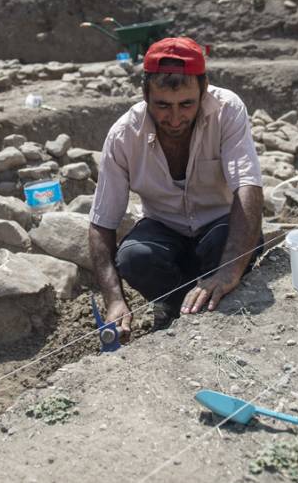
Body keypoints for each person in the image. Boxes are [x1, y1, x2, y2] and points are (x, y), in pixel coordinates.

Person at [88, 37, 264, 341]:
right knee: (134, 257)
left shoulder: (227, 110)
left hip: (219, 225)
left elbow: (247, 185)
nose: (174, 118)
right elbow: (102, 222)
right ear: (145, 94)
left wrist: (229, 272)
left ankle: (219, 298)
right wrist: (114, 300)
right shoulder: (123, 135)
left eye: (186, 104)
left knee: (224, 244)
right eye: (162, 106)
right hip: (165, 227)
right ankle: (174, 309)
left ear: (204, 89)